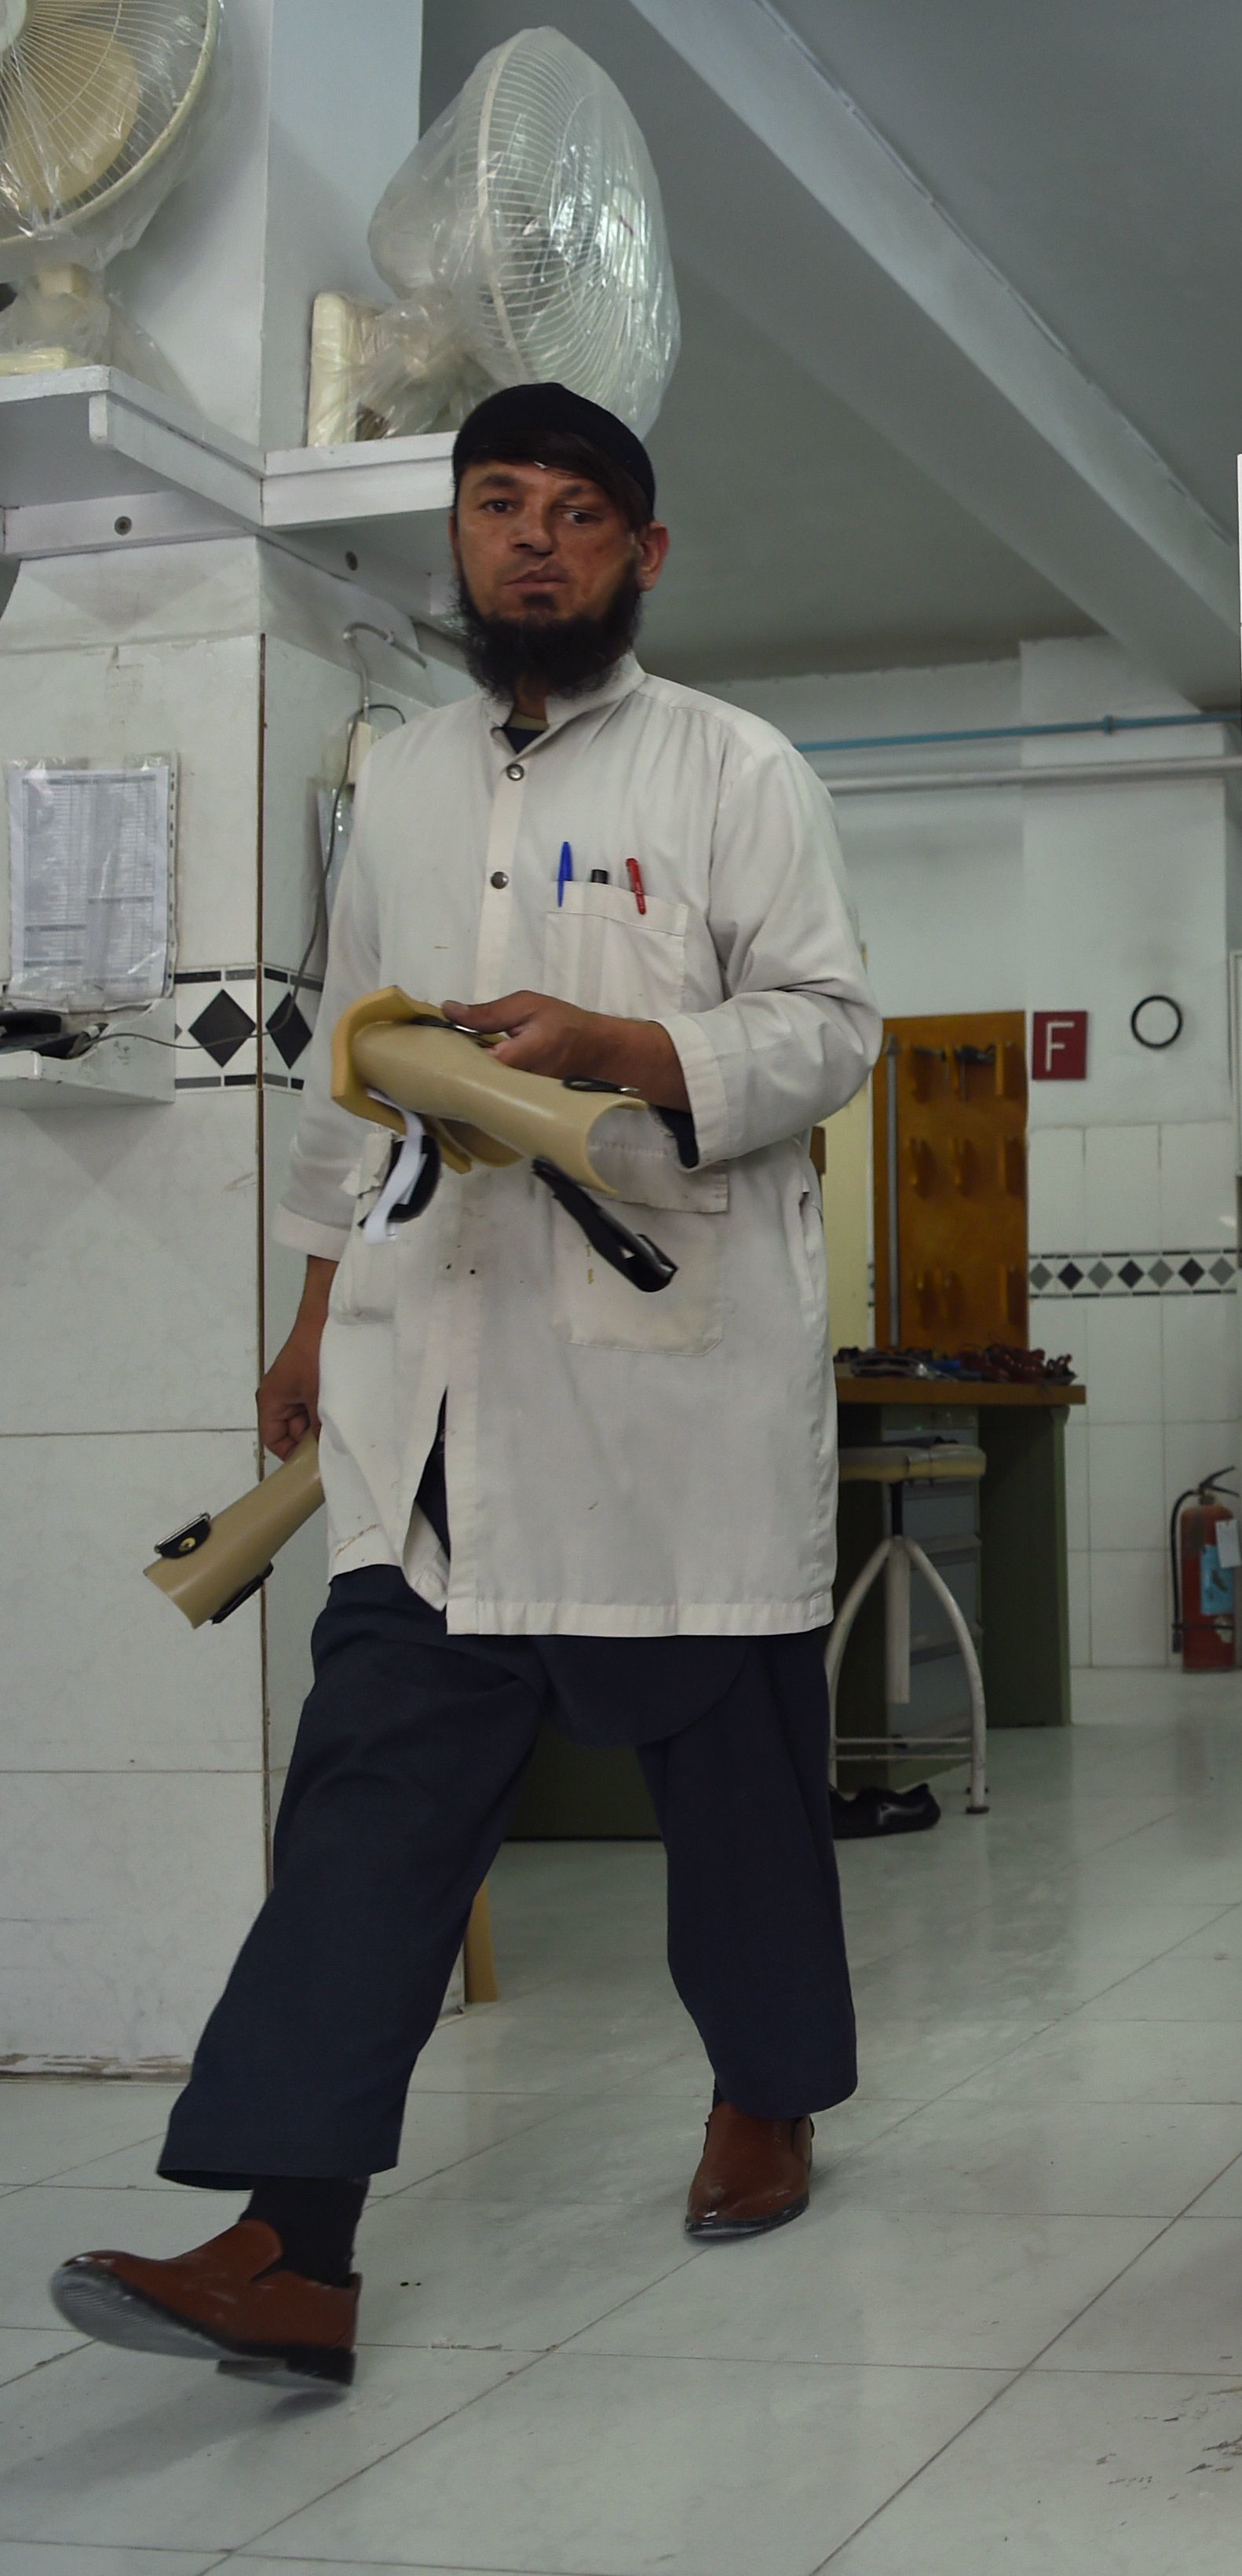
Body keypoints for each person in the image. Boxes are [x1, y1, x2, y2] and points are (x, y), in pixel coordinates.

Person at [49, 383, 880, 2388]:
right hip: (437, 1377)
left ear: (643, 553)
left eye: (576, 511)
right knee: (370, 1804)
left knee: (734, 1790)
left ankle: (765, 2094)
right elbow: (358, 1067)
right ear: (458, 533)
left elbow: (830, 1026)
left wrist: (623, 1041)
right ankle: (288, 2236)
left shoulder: (734, 767)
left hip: (669, 1372)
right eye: (497, 504)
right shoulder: (405, 782)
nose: (531, 539)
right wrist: (313, 1309)